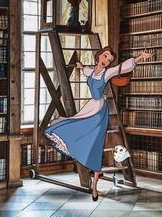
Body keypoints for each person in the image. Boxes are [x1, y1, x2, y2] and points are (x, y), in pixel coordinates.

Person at [44, 46, 155, 201]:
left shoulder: (107, 73)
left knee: (95, 145)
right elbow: (85, 71)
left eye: (108, 60)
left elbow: (121, 67)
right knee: (74, 127)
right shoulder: (91, 71)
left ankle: (95, 186)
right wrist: (81, 67)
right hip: (91, 106)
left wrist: (140, 57)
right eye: (105, 57)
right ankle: (88, 166)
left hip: (99, 111)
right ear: (99, 56)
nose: (106, 61)